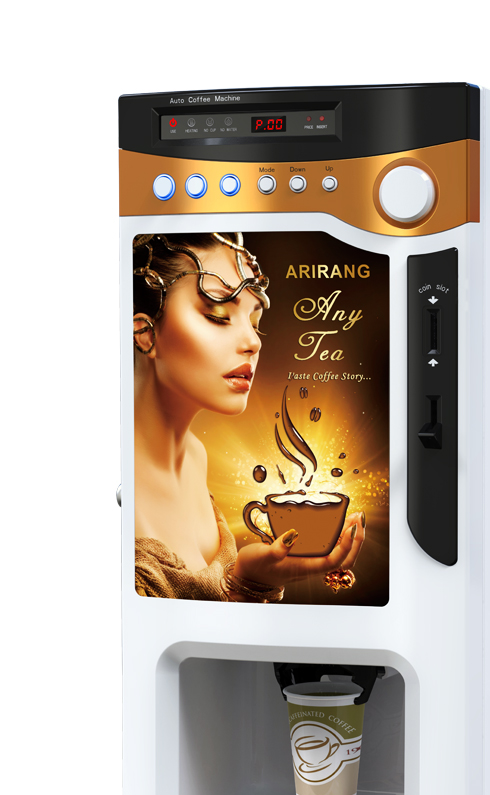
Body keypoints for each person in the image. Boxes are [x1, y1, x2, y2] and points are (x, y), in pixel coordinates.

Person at [131, 233, 365, 602]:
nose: (253, 342)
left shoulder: (195, 457)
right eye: (218, 316)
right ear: (145, 333)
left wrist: (249, 580)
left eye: (255, 321)